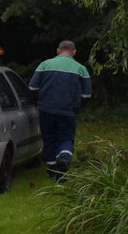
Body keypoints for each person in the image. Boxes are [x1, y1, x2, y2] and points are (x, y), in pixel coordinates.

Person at [29, 40, 91, 180]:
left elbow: (32, 88)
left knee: (49, 139)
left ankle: (52, 172)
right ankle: (64, 160)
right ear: (74, 52)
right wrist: (77, 108)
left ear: (58, 51)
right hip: (68, 111)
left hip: (46, 110)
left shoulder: (44, 65)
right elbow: (86, 95)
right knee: (66, 138)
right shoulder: (81, 69)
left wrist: (37, 103)